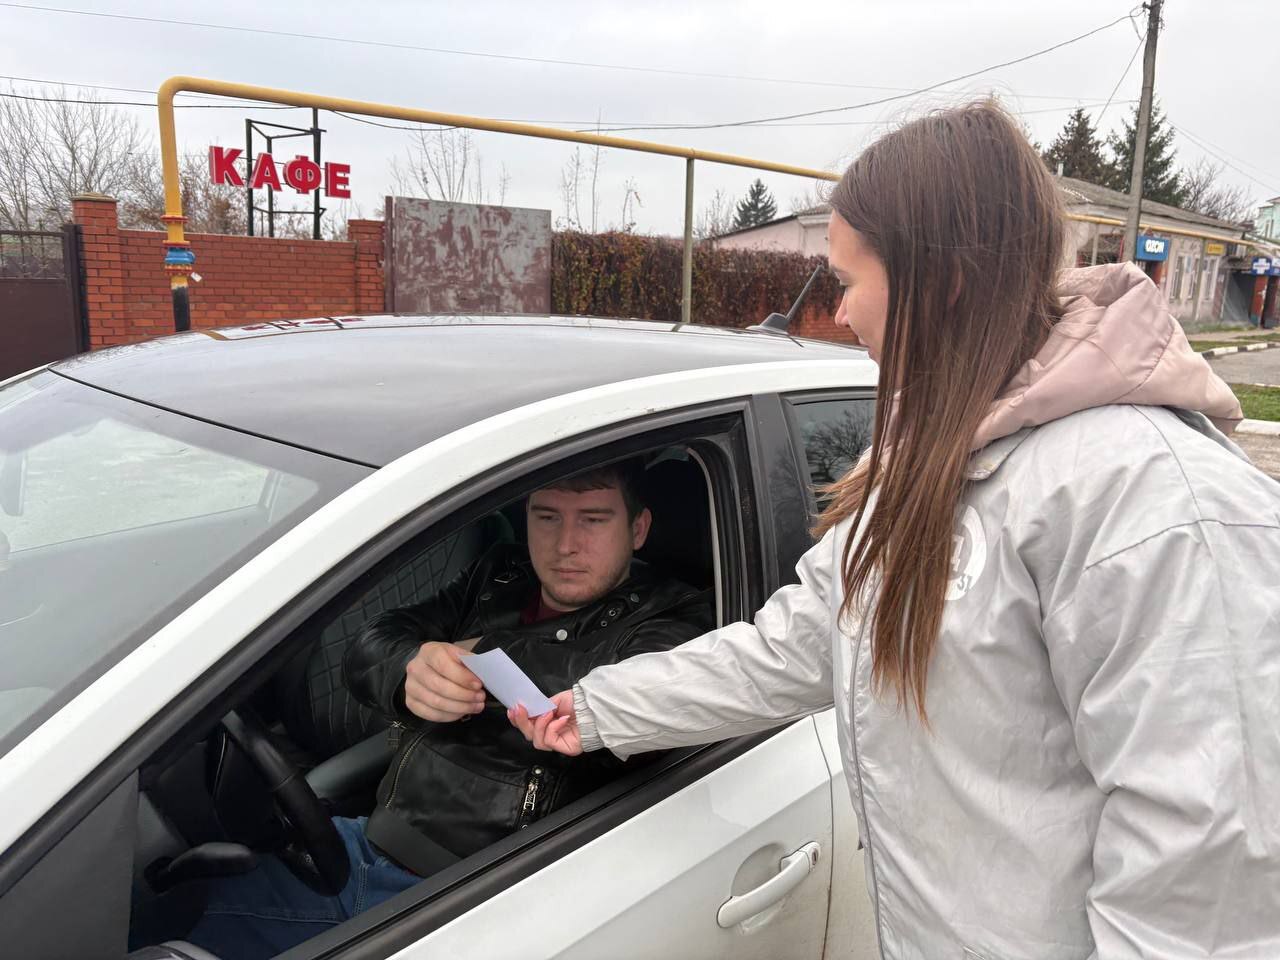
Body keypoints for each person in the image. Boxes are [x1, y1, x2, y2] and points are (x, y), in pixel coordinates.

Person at [512, 102, 1280, 958]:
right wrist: (603, 707)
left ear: (939, 279)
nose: (840, 315)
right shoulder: (921, 465)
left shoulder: (1154, 504)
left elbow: (1210, 892)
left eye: (847, 281)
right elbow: (797, 646)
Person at [186, 461, 713, 959]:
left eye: (593, 520)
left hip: (474, 897)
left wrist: (481, 650)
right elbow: (377, 639)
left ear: (638, 529)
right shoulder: (501, 575)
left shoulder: (677, 615)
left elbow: (621, 694)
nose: (565, 544)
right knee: (176, 909)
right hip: (368, 844)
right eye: (546, 517)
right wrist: (406, 669)